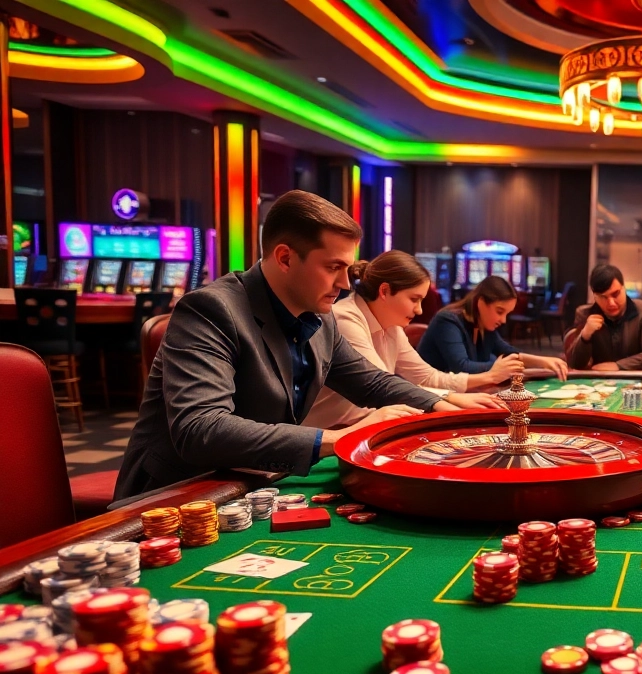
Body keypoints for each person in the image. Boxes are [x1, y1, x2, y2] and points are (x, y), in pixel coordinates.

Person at [115, 191, 458, 500]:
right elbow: (202, 428)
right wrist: (339, 438)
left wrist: (443, 409)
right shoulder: (210, 310)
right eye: (333, 267)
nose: (344, 282)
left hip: (254, 483)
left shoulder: (320, 316)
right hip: (180, 496)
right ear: (284, 258)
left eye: (347, 268)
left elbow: (370, 382)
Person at [302, 251, 505, 430]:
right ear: (384, 291)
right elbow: (382, 387)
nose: (419, 310)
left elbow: (427, 377)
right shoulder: (345, 318)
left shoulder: (392, 326)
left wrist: (460, 396)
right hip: (326, 437)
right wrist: (449, 398)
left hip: (365, 426)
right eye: (414, 299)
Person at [418, 275, 569, 382]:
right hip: (429, 396)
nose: (503, 320)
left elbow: (507, 352)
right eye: (499, 311)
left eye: (506, 314)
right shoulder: (447, 321)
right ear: (481, 302)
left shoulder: (484, 324)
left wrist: (543, 361)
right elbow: (461, 368)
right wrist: (501, 368)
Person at [565, 264, 642, 371]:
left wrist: (618, 366)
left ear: (623, 288)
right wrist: (585, 335)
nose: (611, 303)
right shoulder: (585, 314)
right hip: (600, 383)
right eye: (603, 297)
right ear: (595, 296)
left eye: (615, 294)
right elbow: (575, 364)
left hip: (636, 381)